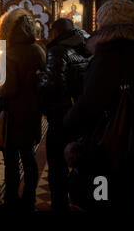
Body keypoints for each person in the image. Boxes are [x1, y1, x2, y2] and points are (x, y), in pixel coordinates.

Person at [63, 0, 134, 211]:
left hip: (104, 146)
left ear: (106, 23)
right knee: (126, 196)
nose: (97, 25)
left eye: (99, 21)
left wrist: (68, 121)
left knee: (102, 200)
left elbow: (90, 105)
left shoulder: (110, 57)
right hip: (131, 141)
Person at [0, 8, 46, 211]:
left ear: (7, 29)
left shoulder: (10, 53)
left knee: (11, 160)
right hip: (32, 111)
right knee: (29, 156)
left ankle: (11, 202)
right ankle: (29, 199)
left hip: (14, 114)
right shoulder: (38, 50)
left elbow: (10, 89)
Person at [39, 18, 91, 211]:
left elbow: (51, 85)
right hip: (80, 114)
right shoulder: (84, 48)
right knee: (80, 163)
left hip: (60, 117)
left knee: (57, 166)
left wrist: (39, 80)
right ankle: (80, 203)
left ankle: (59, 206)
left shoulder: (58, 50)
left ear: (56, 32)